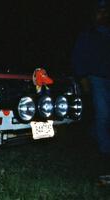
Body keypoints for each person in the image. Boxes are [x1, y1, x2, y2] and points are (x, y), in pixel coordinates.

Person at [72, 0, 110, 185]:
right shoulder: (88, 35)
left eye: (106, 11)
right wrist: (83, 78)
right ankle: (104, 153)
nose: (103, 15)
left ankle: (94, 135)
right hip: (96, 79)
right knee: (103, 115)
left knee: (102, 119)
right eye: (100, 11)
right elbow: (78, 57)